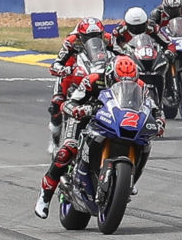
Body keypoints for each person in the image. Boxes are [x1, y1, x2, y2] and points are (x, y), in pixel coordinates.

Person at [34, 55, 145, 220]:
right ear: (109, 76)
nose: (123, 85)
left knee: (143, 142)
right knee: (67, 150)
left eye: (129, 83)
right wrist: (78, 110)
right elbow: (70, 102)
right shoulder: (93, 80)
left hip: (117, 120)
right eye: (117, 82)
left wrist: (159, 119)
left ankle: (128, 180)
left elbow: (152, 106)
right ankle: (45, 195)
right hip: (86, 119)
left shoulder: (141, 86)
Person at [46, 18, 115, 152]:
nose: (93, 39)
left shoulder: (109, 39)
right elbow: (56, 64)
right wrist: (65, 70)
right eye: (89, 36)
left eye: (97, 36)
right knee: (57, 102)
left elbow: (124, 54)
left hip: (98, 71)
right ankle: (55, 141)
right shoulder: (71, 41)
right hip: (73, 72)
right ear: (80, 36)